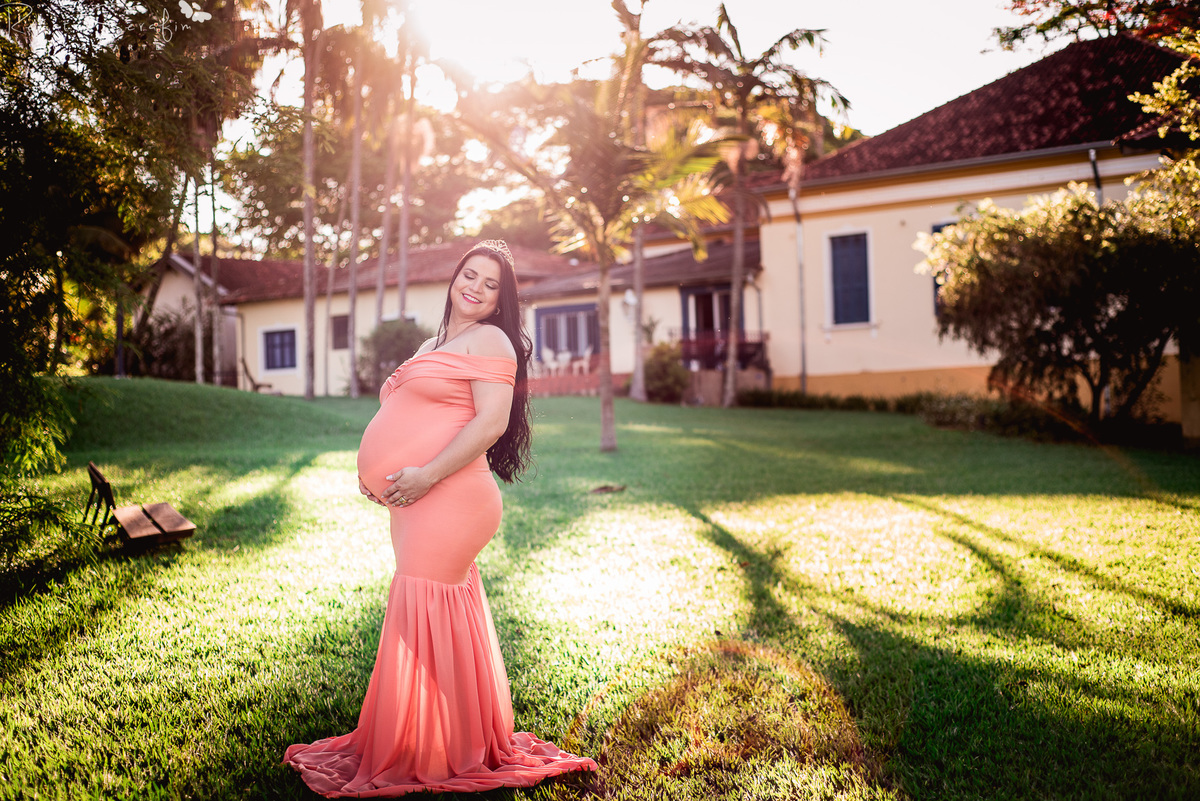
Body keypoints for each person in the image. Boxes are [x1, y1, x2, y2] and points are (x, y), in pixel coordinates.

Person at [284, 241, 598, 797]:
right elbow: (406, 414)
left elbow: (490, 425)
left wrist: (425, 474)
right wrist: (375, 475)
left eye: (490, 283)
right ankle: (453, 739)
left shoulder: (491, 340)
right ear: (454, 278)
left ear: (502, 299)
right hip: (415, 501)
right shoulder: (434, 343)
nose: (474, 288)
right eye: (468, 275)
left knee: (425, 615)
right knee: (430, 620)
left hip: (454, 498)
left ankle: (453, 750)